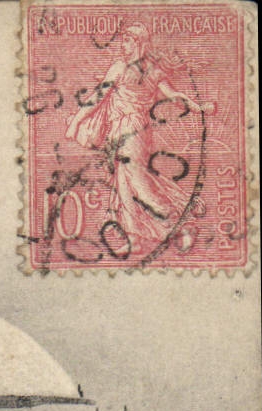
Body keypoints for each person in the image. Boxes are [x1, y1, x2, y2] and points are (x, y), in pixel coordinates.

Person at [64, 23, 217, 257]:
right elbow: (98, 97)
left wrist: (199, 107)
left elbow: (174, 95)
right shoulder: (124, 68)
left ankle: (178, 223)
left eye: (126, 41)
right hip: (120, 131)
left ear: (137, 43)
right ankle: (134, 235)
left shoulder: (144, 70)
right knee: (125, 183)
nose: (122, 45)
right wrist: (76, 121)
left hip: (134, 130)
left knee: (136, 179)